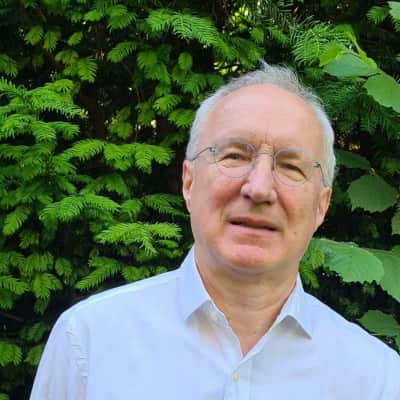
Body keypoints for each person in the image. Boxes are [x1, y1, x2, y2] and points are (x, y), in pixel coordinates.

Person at [30, 63, 400, 400]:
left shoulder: (376, 379)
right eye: (234, 156)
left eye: (290, 166)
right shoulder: (88, 342)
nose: (259, 188)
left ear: (321, 205)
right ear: (189, 183)